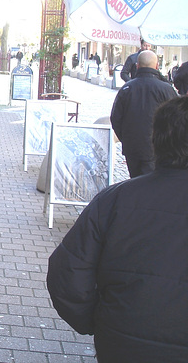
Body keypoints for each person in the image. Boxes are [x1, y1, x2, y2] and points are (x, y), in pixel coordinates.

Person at [47, 96, 188, 362]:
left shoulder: (116, 199)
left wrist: (98, 321)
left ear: (157, 140)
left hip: (123, 341)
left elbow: (67, 273)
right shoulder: (114, 200)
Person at [110, 50, 177, 177]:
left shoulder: (126, 89)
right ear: (157, 66)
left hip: (132, 146)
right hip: (157, 147)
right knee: (153, 184)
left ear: (137, 66)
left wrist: (126, 138)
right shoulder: (166, 89)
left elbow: (116, 118)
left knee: (135, 180)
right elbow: (176, 119)